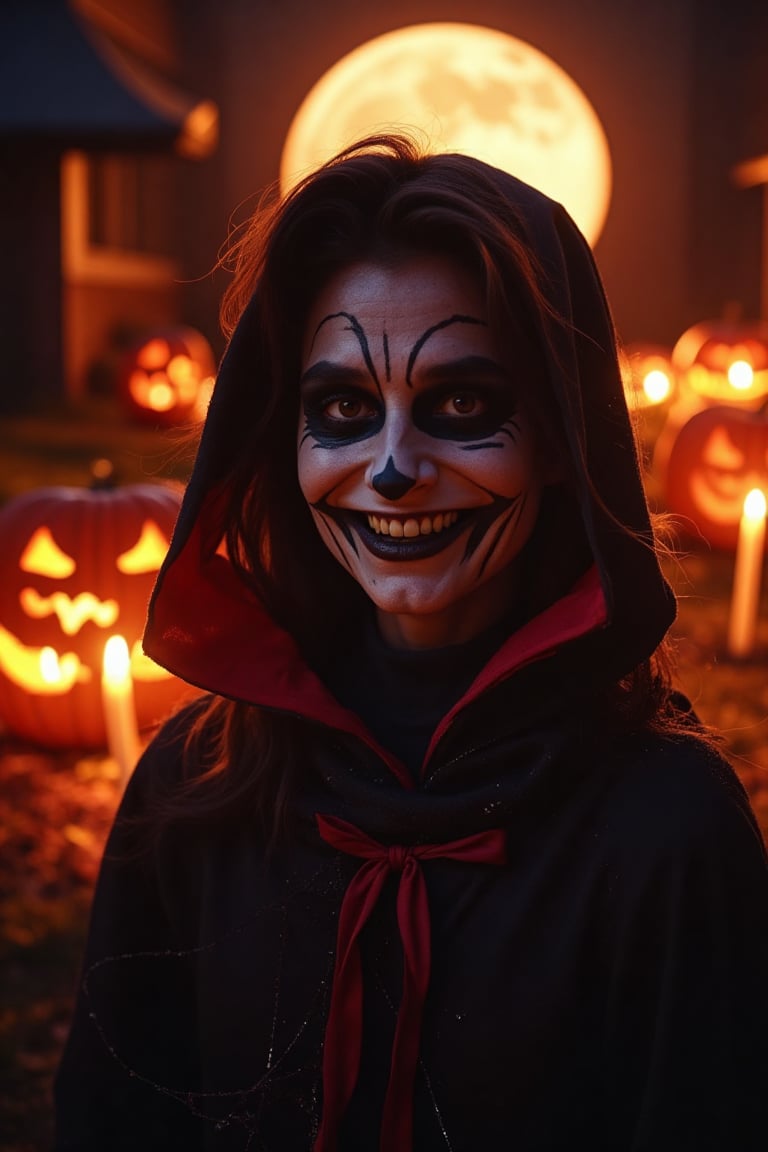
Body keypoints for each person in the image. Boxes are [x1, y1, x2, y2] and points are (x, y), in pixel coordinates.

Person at [55, 134, 768, 1151]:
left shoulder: (667, 835)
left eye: (461, 404)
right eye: (342, 407)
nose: (391, 470)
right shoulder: (192, 787)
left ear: (564, 441)